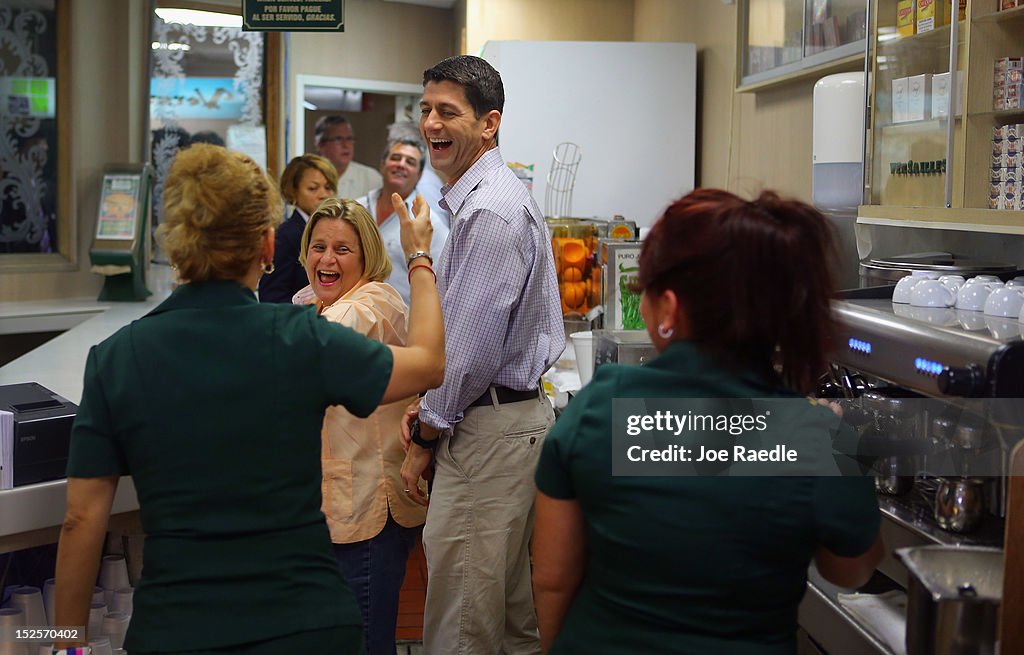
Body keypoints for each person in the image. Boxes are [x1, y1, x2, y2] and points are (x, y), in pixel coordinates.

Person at [52, 143, 444, 655]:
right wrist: (418, 257)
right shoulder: (302, 337)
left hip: (179, 628)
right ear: (267, 245)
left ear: (174, 246)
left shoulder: (115, 359)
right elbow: (430, 362)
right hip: (304, 624)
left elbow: (81, 520)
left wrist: (66, 645)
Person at [531, 188, 885, 655]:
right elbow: (851, 570)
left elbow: (554, 580)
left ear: (669, 311)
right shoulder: (814, 436)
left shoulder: (601, 407)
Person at [398, 55, 564, 655]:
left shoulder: (490, 209)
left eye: (448, 112)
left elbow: (465, 353)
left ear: (489, 124)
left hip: (488, 430)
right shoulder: (482, 199)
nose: (431, 124)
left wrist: (424, 436)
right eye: (425, 110)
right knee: (510, 616)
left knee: (462, 623)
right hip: (504, 424)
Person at [298, 197, 427, 655]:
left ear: (367, 256)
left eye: (342, 250)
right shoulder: (313, 305)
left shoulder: (374, 301)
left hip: (369, 510)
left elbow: (326, 341)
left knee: (365, 642)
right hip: (333, 511)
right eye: (318, 247)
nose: (326, 259)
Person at [356, 137, 450, 304]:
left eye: (410, 162)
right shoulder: (356, 209)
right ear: (382, 165)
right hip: (351, 317)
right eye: (395, 158)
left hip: (401, 324)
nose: (401, 164)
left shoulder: (427, 222)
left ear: (419, 175)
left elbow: (441, 281)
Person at [259, 153, 337, 303]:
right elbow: (272, 296)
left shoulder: (333, 231)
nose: (323, 195)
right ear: (293, 191)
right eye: (313, 188)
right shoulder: (286, 236)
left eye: (328, 187)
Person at [315, 115, 382, 199]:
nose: (346, 145)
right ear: (320, 145)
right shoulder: (307, 177)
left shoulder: (371, 178)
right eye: (338, 139)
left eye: (349, 139)